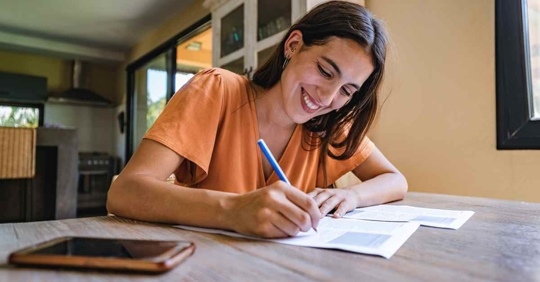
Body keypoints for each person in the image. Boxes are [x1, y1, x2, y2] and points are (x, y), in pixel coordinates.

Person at [107, 1, 407, 239]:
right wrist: (233, 210)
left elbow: (395, 180)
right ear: (293, 45)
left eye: (347, 90)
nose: (328, 98)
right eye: (326, 71)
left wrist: (351, 195)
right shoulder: (218, 90)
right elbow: (125, 193)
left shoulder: (329, 126)